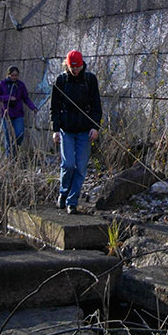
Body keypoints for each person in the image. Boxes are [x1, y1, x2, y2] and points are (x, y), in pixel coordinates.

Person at [50, 50, 102, 214]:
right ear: (67, 65)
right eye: (73, 68)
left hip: (84, 130)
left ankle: (72, 202)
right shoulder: (61, 80)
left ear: (82, 65)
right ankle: (63, 194)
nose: (75, 70)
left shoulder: (90, 80)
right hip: (66, 130)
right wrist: (55, 129)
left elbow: (96, 105)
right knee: (68, 164)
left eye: (78, 67)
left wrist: (95, 127)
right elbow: (54, 107)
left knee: (80, 167)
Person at [0, 66, 38, 157]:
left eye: (16, 75)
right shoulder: (2, 84)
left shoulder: (20, 85)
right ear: (8, 75)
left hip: (18, 114)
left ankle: (14, 150)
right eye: (13, 75)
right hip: (6, 114)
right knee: (8, 137)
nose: (14, 77)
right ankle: (9, 157)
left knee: (20, 134)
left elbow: (25, 98)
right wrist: (7, 98)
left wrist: (33, 107)